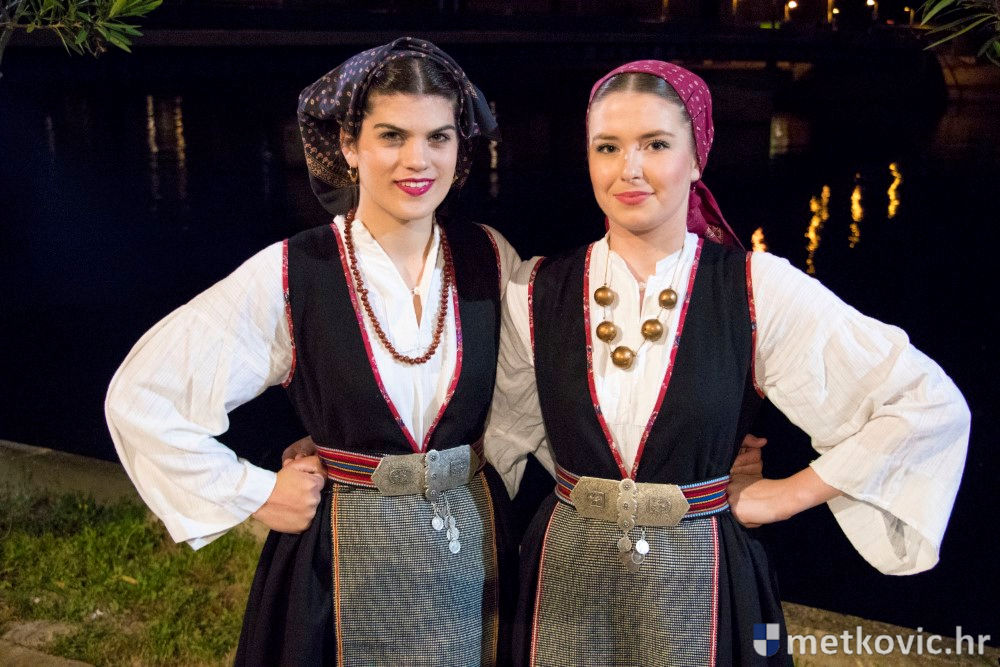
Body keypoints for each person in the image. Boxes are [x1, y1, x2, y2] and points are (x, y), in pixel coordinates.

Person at [484, 60, 970, 666]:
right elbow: (501, 435)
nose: (629, 168)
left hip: (703, 579)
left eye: (656, 144)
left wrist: (780, 496)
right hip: (566, 579)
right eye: (607, 147)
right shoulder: (536, 289)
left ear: (697, 158)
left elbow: (923, 402)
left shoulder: (755, 287)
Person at [105, 37, 523, 665]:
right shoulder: (294, 271)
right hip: (336, 568)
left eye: (438, 137)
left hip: (472, 553)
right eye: (392, 136)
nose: (418, 160)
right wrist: (256, 491)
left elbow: (532, 385)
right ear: (349, 145)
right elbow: (144, 398)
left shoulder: (490, 256)